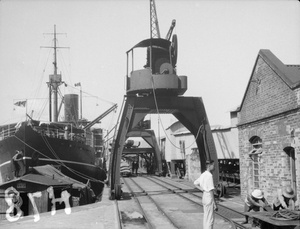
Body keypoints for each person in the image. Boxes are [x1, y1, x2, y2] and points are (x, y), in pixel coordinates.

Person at [194, 160, 218, 229]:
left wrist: (203, 190)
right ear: (209, 166)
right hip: (209, 197)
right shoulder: (209, 175)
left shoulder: (203, 174)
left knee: (206, 217)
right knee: (210, 218)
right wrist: (214, 203)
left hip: (204, 196)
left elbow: (195, 183)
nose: (214, 167)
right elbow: (211, 190)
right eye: (213, 165)